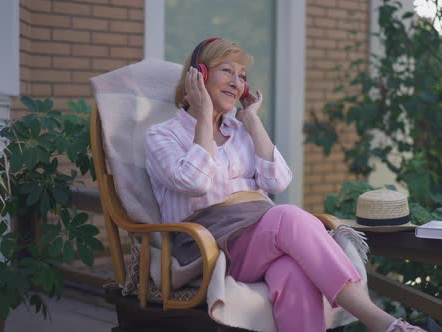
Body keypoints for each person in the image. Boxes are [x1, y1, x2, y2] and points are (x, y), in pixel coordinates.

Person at [145, 38, 425, 332]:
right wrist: (203, 115)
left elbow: (277, 180)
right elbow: (195, 182)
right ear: (199, 75)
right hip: (206, 246)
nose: (236, 82)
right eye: (227, 71)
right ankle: (381, 322)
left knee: (292, 272)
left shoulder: (240, 132)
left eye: (242, 76)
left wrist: (251, 120)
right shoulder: (162, 136)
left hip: (256, 237)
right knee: (287, 216)